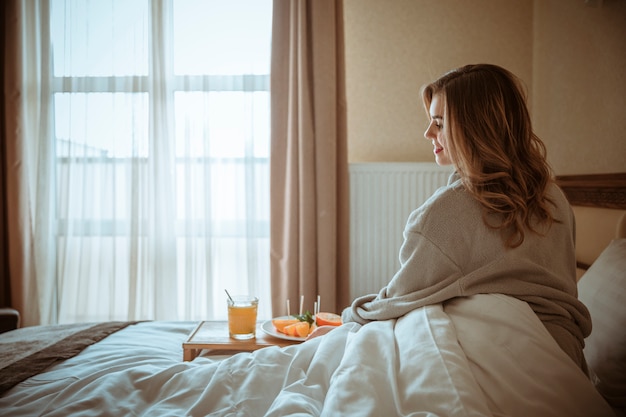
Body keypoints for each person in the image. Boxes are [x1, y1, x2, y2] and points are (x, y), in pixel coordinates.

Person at [311, 64, 591, 374]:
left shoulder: (445, 214)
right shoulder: (554, 200)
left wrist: (345, 322)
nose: (428, 133)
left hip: (504, 361)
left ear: (476, 127)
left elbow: (395, 302)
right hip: (564, 358)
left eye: (440, 123)